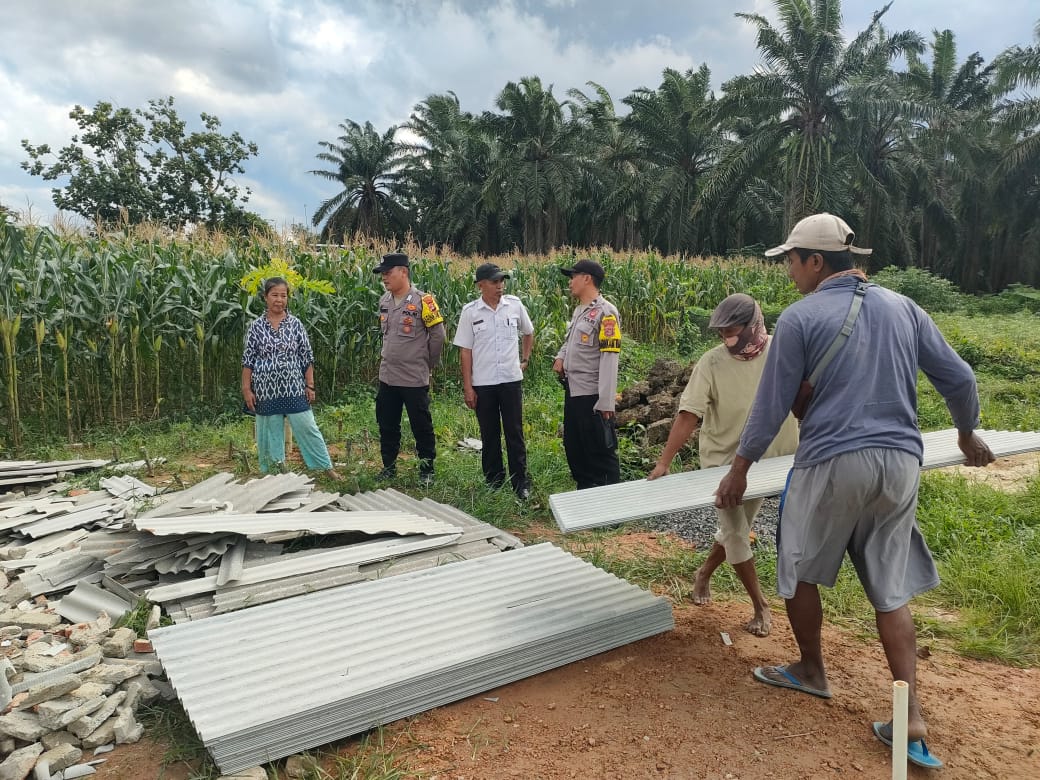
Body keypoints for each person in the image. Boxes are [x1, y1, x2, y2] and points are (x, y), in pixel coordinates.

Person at [715, 213, 994, 769]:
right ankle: (910, 712)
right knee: (889, 587)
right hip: (901, 463)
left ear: (816, 261)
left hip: (832, 460)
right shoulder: (904, 308)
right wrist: (966, 434)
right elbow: (959, 378)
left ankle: (812, 671)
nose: (789, 271)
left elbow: (772, 405)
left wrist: (739, 469)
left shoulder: (799, 318)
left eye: (791, 260)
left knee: (795, 561)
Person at [647, 294, 799, 637]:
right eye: (721, 334)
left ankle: (703, 573)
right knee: (735, 532)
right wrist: (664, 463)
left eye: (731, 332)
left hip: (772, 460)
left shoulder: (782, 350)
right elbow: (689, 414)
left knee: (738, 530)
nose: (725, 340)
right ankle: (760, 605)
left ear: (753, 326)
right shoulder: (712, 363)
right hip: (725, 466)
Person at [241, 277, 340, 479]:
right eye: (275, 295)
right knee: (269, 432)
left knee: (307, 427)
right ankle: (274, 473)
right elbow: (248, 360)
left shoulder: (295, 324)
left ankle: (326, 468)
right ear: (265, 297)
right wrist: (247, 390)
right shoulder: (256, 327)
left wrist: (310, 386)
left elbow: (307, 356)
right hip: (265, 390)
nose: (279, 300)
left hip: (294, 387)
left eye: (283, 296)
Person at [454, 263, 535, 499]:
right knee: (489, 434)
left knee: (514, 432)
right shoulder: (471, 312)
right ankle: (494, 480)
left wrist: (525, 359)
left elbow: (528, 332)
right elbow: (465, 351)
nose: (500, 286)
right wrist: (468, 387)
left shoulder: (515, 306)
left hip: (510, 380)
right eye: (494, 282)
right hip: (484, 383)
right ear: (481, 285)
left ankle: (521, 482)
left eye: (502, 281)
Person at [372, 252, 446, 485]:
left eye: (388, 272)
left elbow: (438, 337)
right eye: (382, 274)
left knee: (421, 425)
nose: (384, 278)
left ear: (403, 272)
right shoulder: (384, 301)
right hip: (388, 376)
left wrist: (427, 364)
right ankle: (389, 466)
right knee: (387, 423)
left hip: (414, 377)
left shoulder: (424, 301)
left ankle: (426, 470)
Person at [552, 259, 622, 489]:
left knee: (599, 448)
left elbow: (610, 359)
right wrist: (561, 357)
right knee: (574, 444)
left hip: (592, 394)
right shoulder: (580, 311)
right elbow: (570, 341)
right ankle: (584, 490)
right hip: (573, 389)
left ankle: (608, 501)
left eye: (573, 277)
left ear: (587, 279)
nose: (570, 282)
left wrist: (606, 401)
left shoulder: (606, 313)